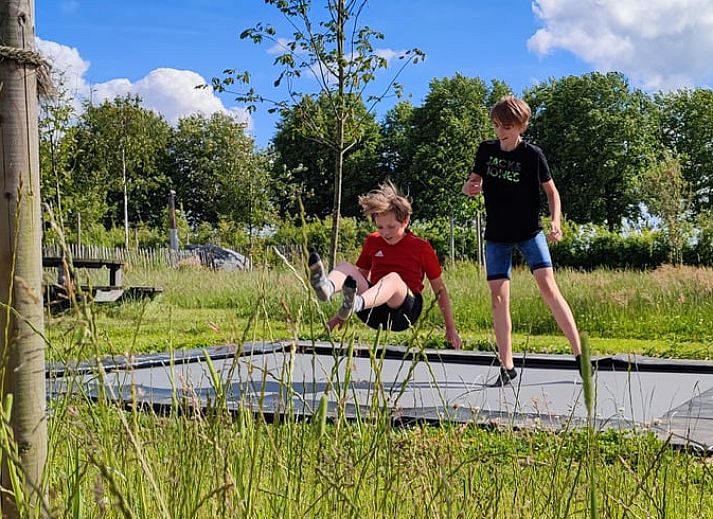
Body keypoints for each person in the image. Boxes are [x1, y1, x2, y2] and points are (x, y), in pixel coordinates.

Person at [462, 95, 583, 386]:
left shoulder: (533, 155)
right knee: (499, 297)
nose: (500, 131)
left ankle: (580, 356)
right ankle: (507, 366)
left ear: (521, 126)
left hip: (530, 232)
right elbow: (471, 183)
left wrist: (555, 222)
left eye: (506, 126)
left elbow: (552, 193)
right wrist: (469, 188)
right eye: (496, 125)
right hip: (497, 235)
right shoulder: (486, 150)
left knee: (548, 286)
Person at [309, 181, 461, 349]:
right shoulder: (373, 241)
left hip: (404, 312)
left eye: (391, 226)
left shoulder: (421, 248)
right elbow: (357, 280)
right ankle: (327, 288)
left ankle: (356, 304)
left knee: (393, 278)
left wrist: (450, 328)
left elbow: (440, 290)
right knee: (346, 267)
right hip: (373, 309)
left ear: (405, 221)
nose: (385, 233)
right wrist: (340, 316)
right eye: (380, 227)